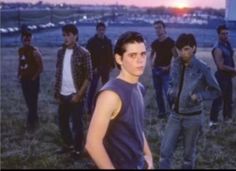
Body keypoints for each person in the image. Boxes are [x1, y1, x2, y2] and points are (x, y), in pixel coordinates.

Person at [85, 31, 153, 169]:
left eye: (143, 54)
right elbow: (92, 144)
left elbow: (137, 127)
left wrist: (149, 157)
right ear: (119, 59)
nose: (140, 60)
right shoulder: (111, 94)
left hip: (138, 163)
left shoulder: (139, 87)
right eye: (132, 55)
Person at [159, 33, 221, 169]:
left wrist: (199, 96)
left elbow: (216, 90)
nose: (182, 53)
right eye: (180, 49)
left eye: (186, 49)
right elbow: (172, 82)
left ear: (193, 48)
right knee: (164, 152)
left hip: (193, 118)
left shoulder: (202, 67)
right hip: (175, 115)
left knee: (187, 157)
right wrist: (171, 90)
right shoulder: (176, 63)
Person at [54, 24, 92, 158]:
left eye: (68, 35)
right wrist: (57, 93)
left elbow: (88, 77)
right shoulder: (60, 52)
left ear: (75, 36)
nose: (66, 38)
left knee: (77, 125)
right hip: (62, 94)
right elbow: (58, 74)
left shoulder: (84, 53)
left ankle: (78, 149)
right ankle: (68, 145)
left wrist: (79, 95)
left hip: (76, 95)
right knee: (62, 122)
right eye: (64, 35)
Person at [209, 24, 236, 127]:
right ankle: (213, 122)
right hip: (221, 77)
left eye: (227, 33)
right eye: (223, 34)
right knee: (218, 100)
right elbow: (221, 66)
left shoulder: (227, 44)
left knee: (228, 100)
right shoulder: (217, 48)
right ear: (218, 34)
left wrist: (232, 72)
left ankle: (227, 119)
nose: (225, 35)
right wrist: (234, 70)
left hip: (228, 77)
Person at [150, 20, 177, 119]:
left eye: (159, 27)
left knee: (168, 93)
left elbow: (176, 58)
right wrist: (151, 64)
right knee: (158, 93)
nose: (157, 30)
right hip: (156, 70)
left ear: (164, 28)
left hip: (166, 71)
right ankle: (161, 113)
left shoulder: (170, 42)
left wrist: (169, 66)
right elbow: (151, 54)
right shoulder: (155, 43)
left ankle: (173, 113)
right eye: (156, 28)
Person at [86, 22, 114, 115]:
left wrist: (111, 65)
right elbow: (88, 56)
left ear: (105, 30)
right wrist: (92, 68)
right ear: (97, 30)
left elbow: (110, 54)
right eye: (99, 30)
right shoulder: (91, 42)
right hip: (95, 69)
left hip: (105, 68)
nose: (101, 32)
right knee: (93, 89)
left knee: (106, 88)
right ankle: (89, 108)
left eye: (103, 30)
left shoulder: (108, 41)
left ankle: (106, 107)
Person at [18, 29, 43, 132]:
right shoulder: (21, 51)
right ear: (22, 40)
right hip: (24, 80)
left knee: (33, 102)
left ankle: (30, 123)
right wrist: (19, 73)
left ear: (31, 40)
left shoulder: (35, 51)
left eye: (29, 40)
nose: (27, 42)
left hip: (33, 80)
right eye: (25, 40)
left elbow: (41, 67)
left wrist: (33, 78)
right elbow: (20, 63)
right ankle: (35, 118)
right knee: (29, 101)